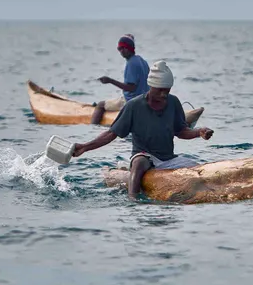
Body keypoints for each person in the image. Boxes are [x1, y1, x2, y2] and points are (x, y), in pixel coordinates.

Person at [74, 60, 214, 198]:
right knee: (140, 162)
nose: (164, 94)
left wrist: (199, 132)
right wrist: (85, 147)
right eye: (160, 90)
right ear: (151, 86)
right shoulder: (134, 106)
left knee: (201, 171)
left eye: (167, 90)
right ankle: (133, 198)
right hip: (144, 155)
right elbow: (111, 133)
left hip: (168, 159)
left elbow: (181, 131)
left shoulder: (173, 102)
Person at [91, 34, 150, 124]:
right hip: (145, 100)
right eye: (119, 49)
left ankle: (92, 128)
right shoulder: (142, 61)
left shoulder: (131, 63)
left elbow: (131, 88)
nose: (121, 51)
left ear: (130, 48)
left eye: (124, 48)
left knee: (100, 105)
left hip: (131, 102)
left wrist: (110, 80)